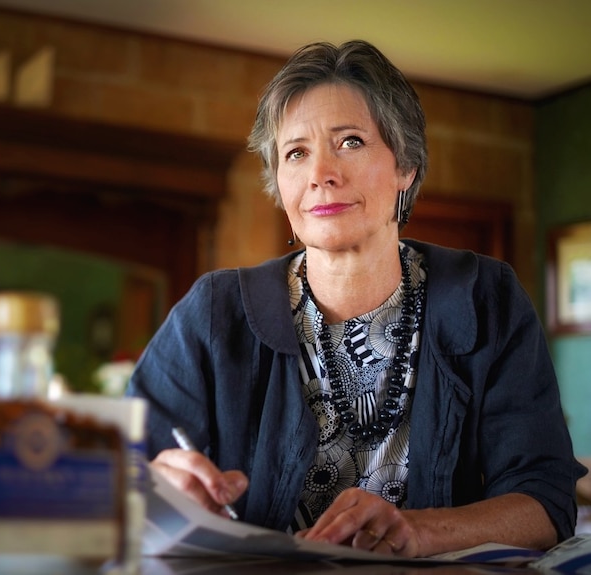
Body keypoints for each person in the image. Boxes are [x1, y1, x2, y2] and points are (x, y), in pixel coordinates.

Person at [126, 39, 587, 558]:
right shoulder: (211, 313)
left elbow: (545, 500)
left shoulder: (488, 298)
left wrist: (418, 532)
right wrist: (160, 493)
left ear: (405, 167)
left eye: (349, 142)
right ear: (279, 181)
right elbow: (115, 479)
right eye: (296, 152)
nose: (321, 172)